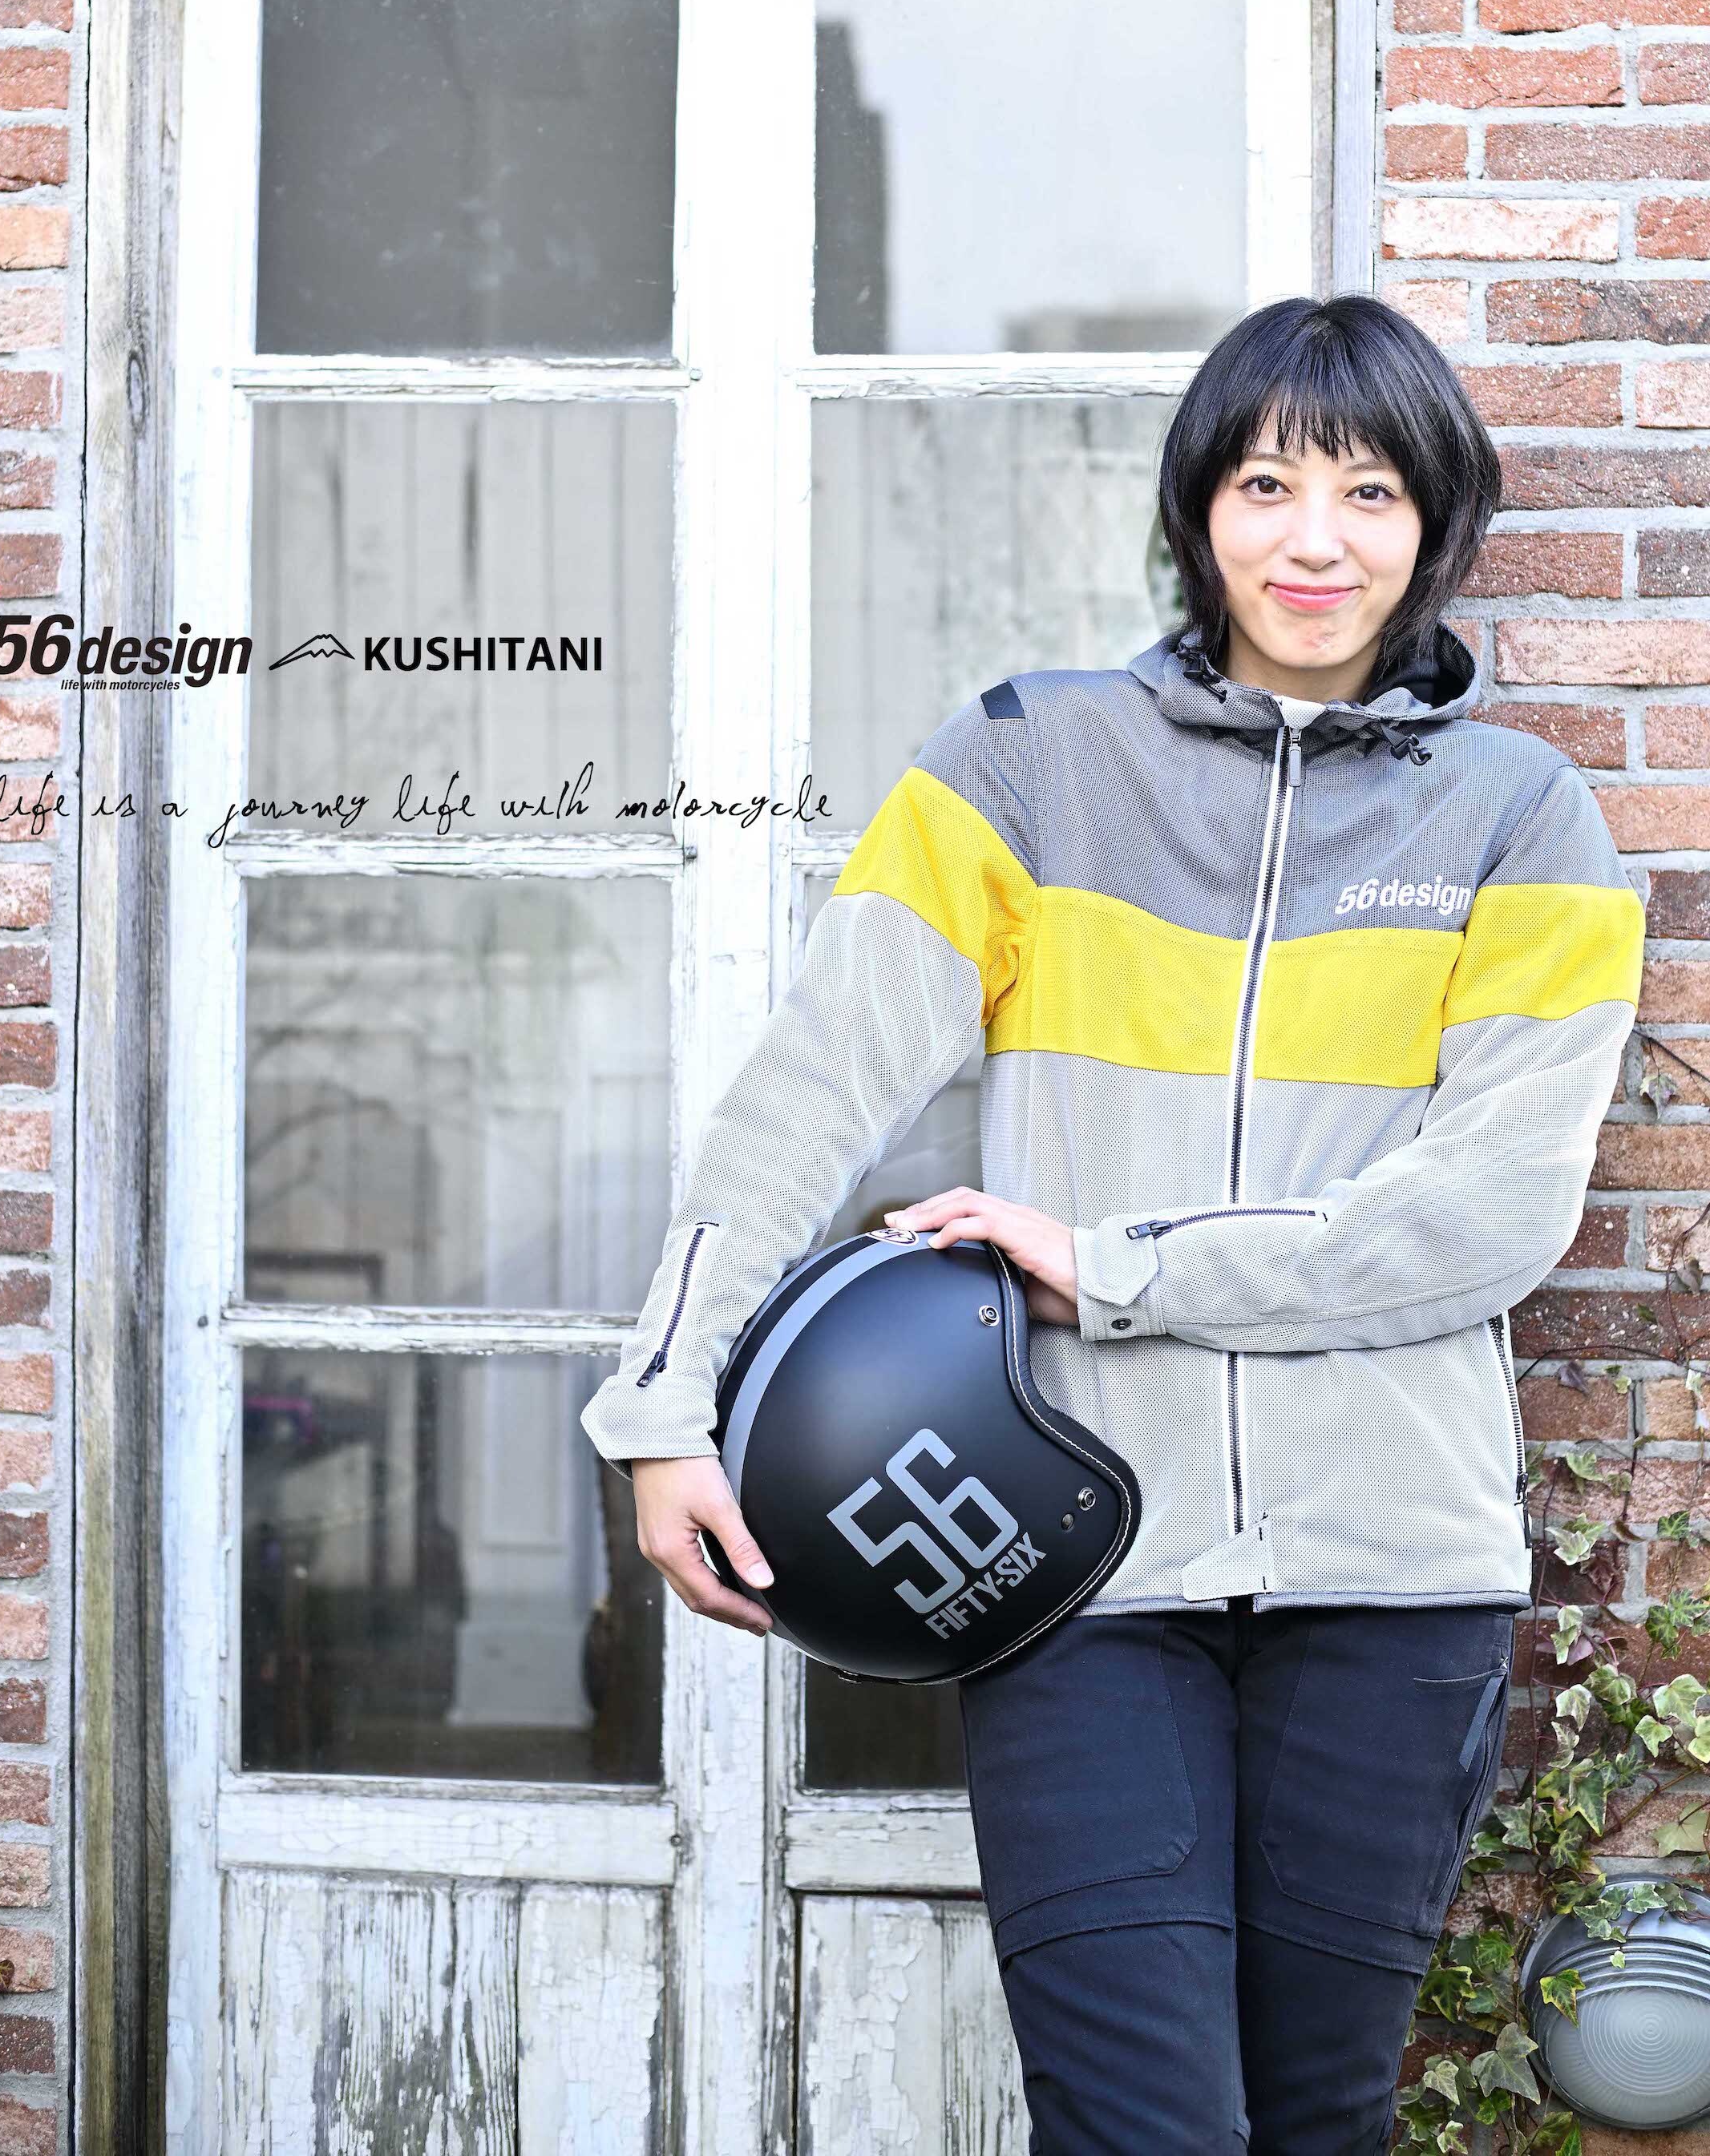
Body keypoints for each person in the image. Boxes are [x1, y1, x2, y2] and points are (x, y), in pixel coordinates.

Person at [582, 293, 1647, 2155]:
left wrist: (1128, 1266)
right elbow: (812, 1084)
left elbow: (1489, 1210)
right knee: (1138, 2120)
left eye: (1369, 492)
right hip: (1077, 1570)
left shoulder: (1519, 817)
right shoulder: (1026, 760)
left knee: (1316, 2115)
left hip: (1393, 1579)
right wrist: (666, 1400)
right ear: (1196, 507)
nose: (1312, 540)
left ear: (1432, 524)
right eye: (1265, 483)